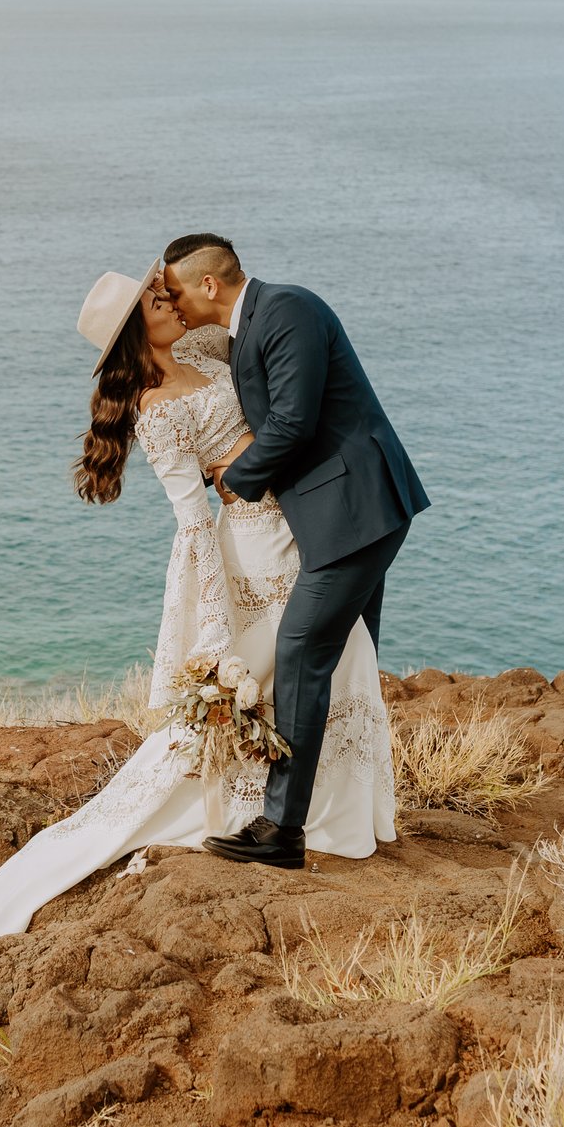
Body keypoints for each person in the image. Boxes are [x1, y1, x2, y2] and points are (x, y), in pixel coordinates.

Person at [0, 265, 394, 936]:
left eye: (163, 293)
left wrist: (187, 279)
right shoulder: (155, 411)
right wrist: (212, 630)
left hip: (297, 522)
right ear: (139, 330)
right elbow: (194, 524)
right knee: (284, 671)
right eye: (158, 302)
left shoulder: (198, 350)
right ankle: (268, 815)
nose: (170, 303)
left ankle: (343, 815)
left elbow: (243, 339)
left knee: (342, 660)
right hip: (250, 550)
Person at [157, 233, 428, 868]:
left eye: (175, 291)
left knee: (302, 649)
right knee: (343, 660)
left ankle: (282, 830)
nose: (171, 301)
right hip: (339, 514)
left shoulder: (286, 310)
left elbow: (293, 421)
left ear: (208, 286)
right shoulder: (243, 326)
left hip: (358, 508)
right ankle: (349, 808)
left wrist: (233, 477)